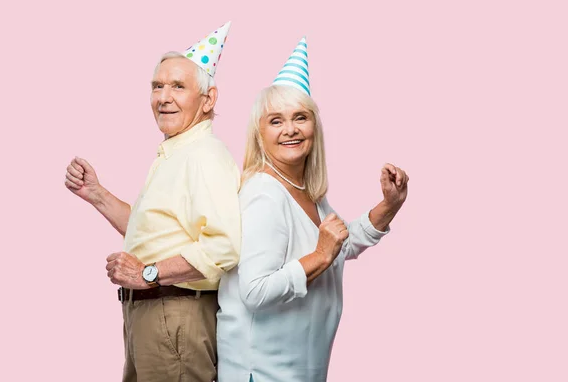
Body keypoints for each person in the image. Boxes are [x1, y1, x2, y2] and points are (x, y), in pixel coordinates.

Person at [216, 37, 409, 382]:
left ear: (314, 128)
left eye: (299, 118)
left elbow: (340, 244)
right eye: (276, 121)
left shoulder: (307, 192)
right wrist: (319, 255)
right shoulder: (265, 194)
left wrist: (389, 205)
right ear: (259, 134)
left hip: (299, 371)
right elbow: (256, 291)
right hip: (261, 373)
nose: (290, 129)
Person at [64, 22, 241, 382]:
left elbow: (225, 246)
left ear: (208, 99)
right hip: (154, 315)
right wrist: (96, 194)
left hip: (174, 315)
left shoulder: (203, 155)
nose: (163, 96)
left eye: (178, 86)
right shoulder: (175, 154)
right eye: (157, 86)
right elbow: (152, 232)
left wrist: (147, 273)